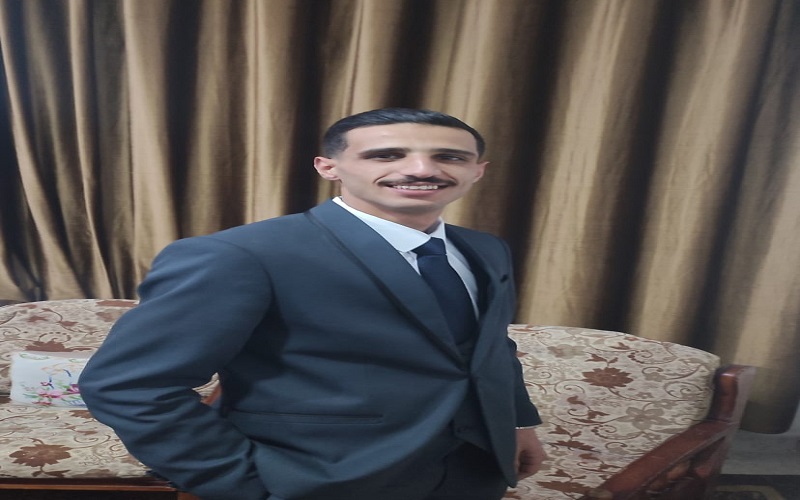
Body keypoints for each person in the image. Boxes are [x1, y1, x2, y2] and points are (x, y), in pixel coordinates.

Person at [80, 108, 547, 500]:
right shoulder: (239, 255)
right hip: (318, 480)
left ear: (477, 170)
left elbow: (490, 348)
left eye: (450, 157)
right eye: (386, 155)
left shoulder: (485, 250)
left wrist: (517, 423)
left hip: (473, 473)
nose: (423, 170)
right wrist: (243, 482)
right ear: (328, 167)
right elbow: (129, 385)